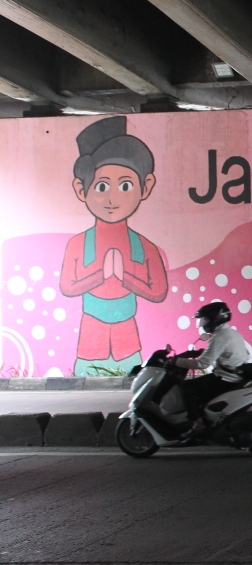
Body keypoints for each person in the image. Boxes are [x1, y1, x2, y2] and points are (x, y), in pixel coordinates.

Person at [60, 116, 168, 375]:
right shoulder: (78, 244)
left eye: (125, 185)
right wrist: (101, 275)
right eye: (101, 186)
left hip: (127, 343)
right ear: (81, 189)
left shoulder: (145, 247)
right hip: (90, 343)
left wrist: (124, 277)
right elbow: (67, 286)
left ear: (146, 187)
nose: (112, 198)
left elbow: (159, 291)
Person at [173, 302, 252, 433]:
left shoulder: (219, 337)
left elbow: (203, 364)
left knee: (187, 387)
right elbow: (226, 352)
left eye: (205, 319)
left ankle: (198, 422)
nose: (202, 323)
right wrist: (204, 352)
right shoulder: (232, 333)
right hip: (235, 376)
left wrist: (177, 361)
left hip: (226, 379)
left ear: (214, 319)